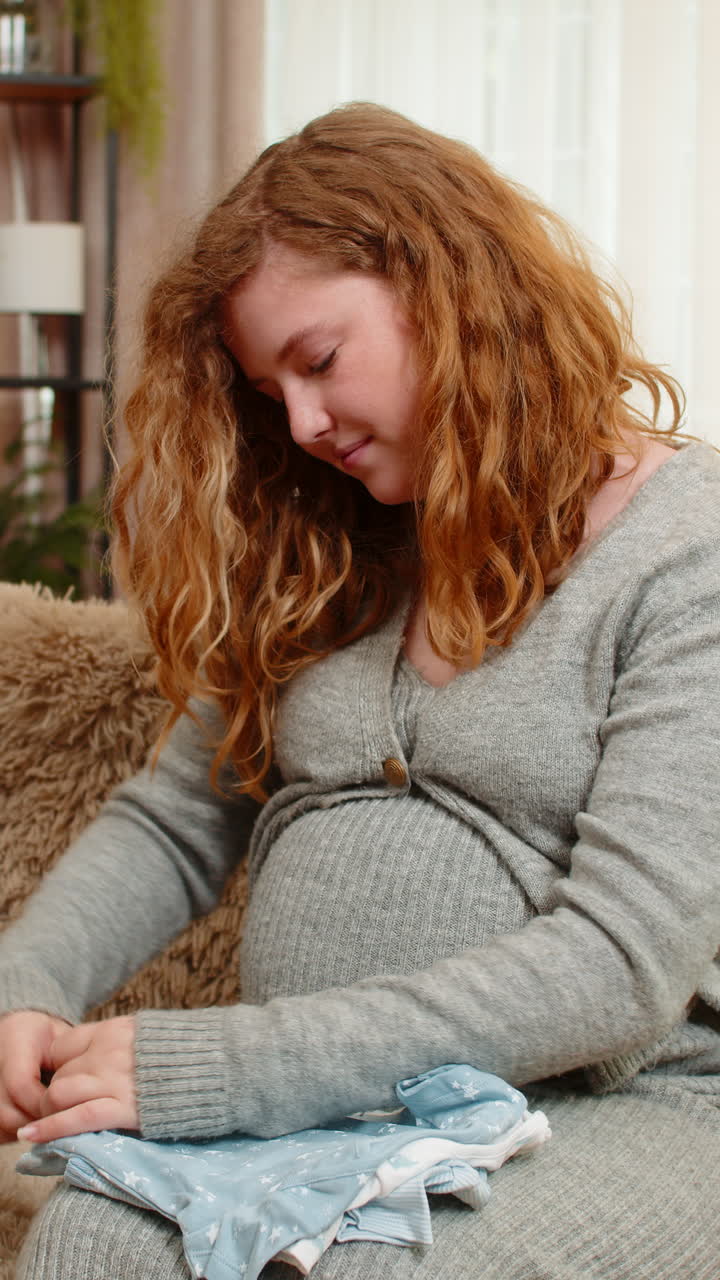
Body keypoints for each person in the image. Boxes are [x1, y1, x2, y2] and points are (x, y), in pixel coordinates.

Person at [1, 101, 719, 1279]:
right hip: (340, 1121)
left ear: (447, 287)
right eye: (267, 391)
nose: (302, 423)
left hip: (614, 1108)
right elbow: (176, 820)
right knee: (90, 1241)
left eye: (319, 361)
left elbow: (620, 964)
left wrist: (219, 1071)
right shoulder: (331, 549)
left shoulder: (689, 546)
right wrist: (22, 985)